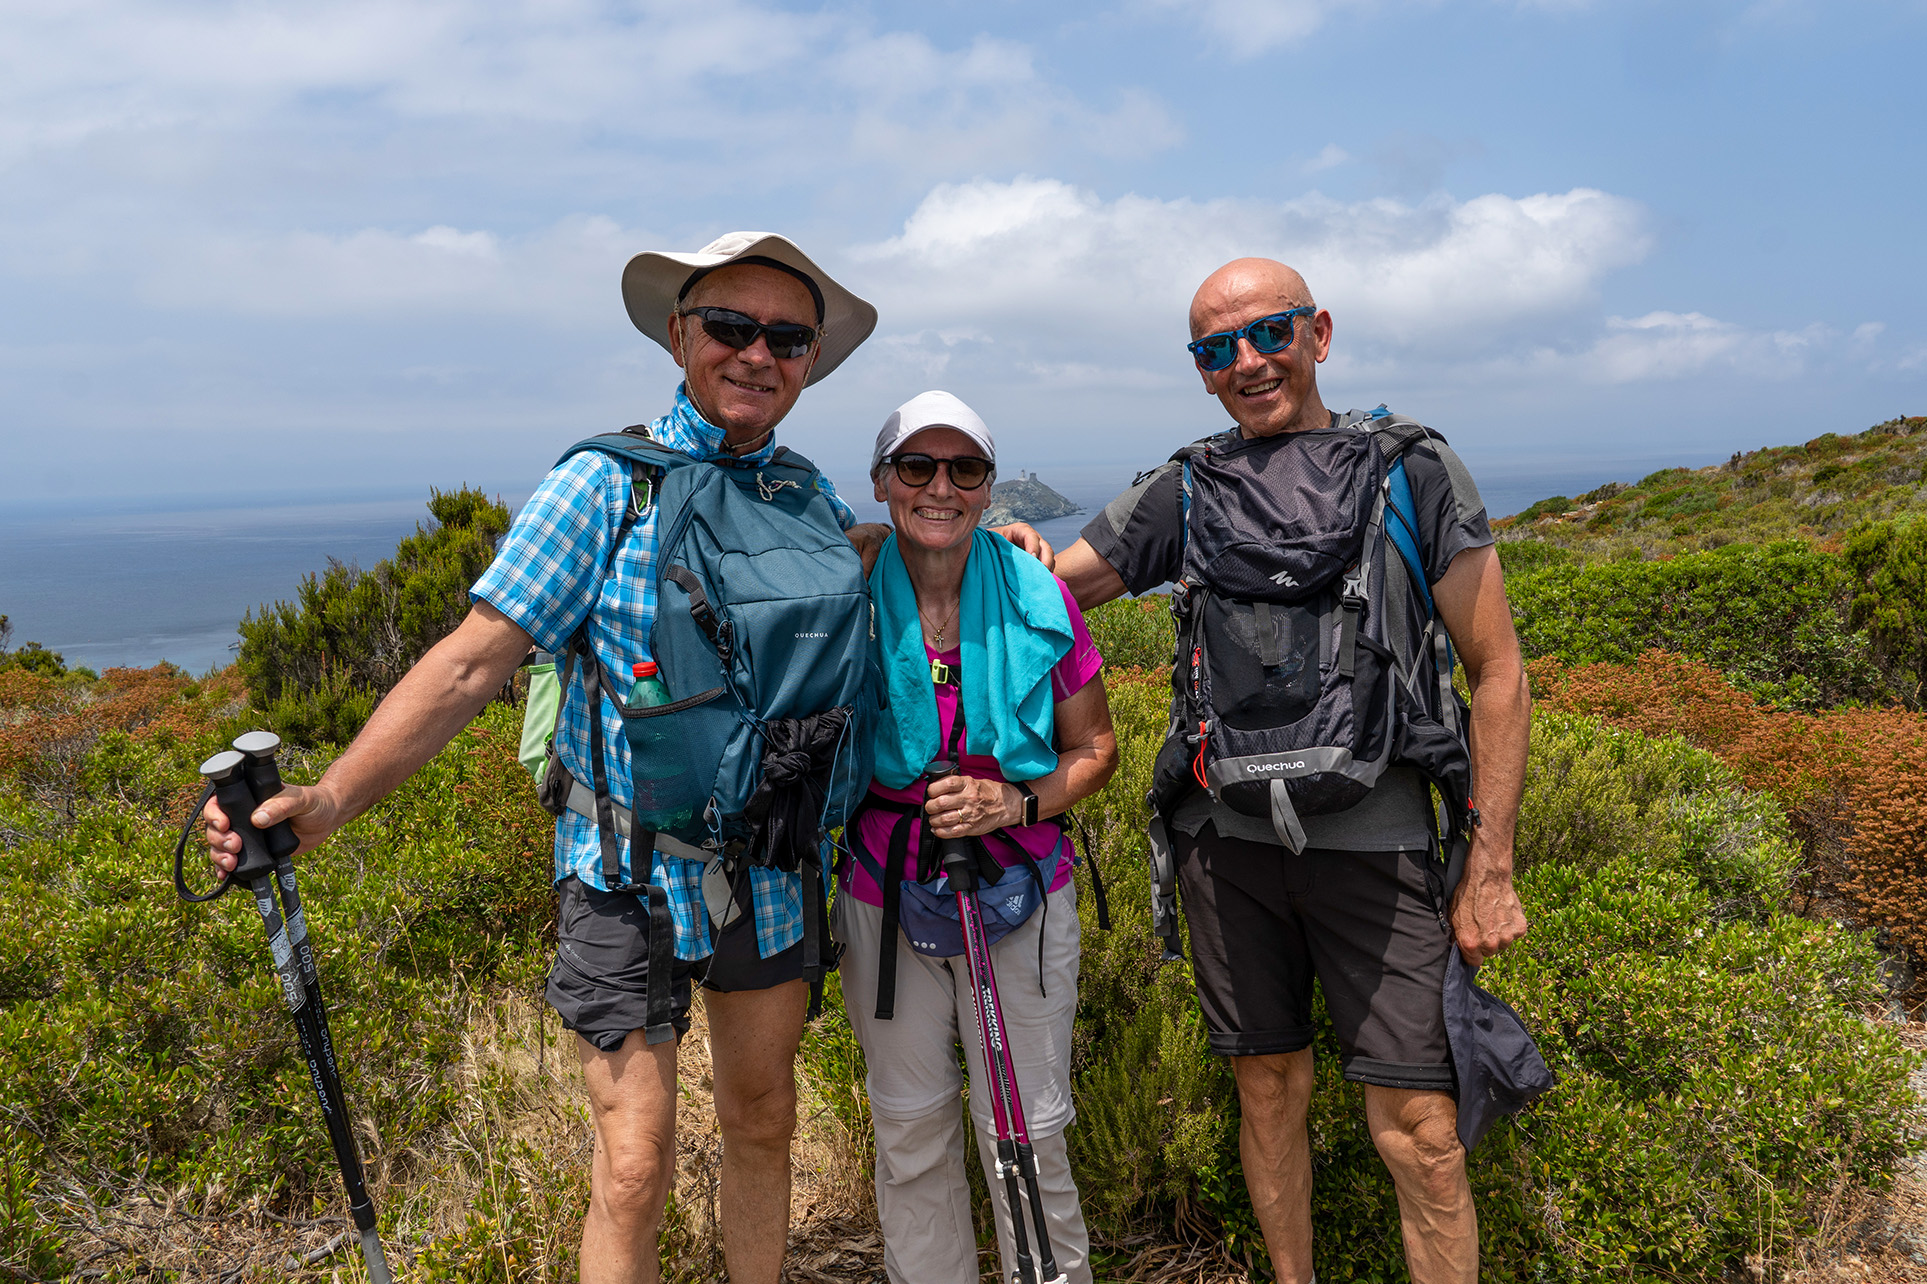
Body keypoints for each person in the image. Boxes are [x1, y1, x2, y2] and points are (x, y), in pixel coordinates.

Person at [199, 233, 1042, 1284]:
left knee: (764, 1119)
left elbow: (862, 570)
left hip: (771, 863)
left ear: (809, 362)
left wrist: (1000, 546)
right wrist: (332, 797)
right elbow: (471, 664)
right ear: (681, 336)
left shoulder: (804, 494)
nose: (757, 354)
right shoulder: (603, 486)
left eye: (786, 339)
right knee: (635, 1164)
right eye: (730, 327)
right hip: (622, 871)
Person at [1035, 259, 1532, 1284]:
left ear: (1319, 333)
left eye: (1269, 332)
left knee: (1423, 1133)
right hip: (1227, 846)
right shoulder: (1184, 488)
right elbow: (1051, 591)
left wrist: (1489, 866)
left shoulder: (1409, 471)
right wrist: (982, 548)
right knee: (1266, 1092)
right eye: (1217, 348)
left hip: (1380, 844)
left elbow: (1498, 673)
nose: (1248, 361)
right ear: (1200, 368)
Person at [832, 390, 1118, 1284]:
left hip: (1020, 887)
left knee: (1026, 1130)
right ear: (882, 481)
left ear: (990, 486)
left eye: (964, 469)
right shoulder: (844, 592)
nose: (940, 487)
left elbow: (1095, 750)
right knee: (908, 1126)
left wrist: (1013, 805)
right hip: (883, 888)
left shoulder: (1037, 593)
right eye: (916, 467)